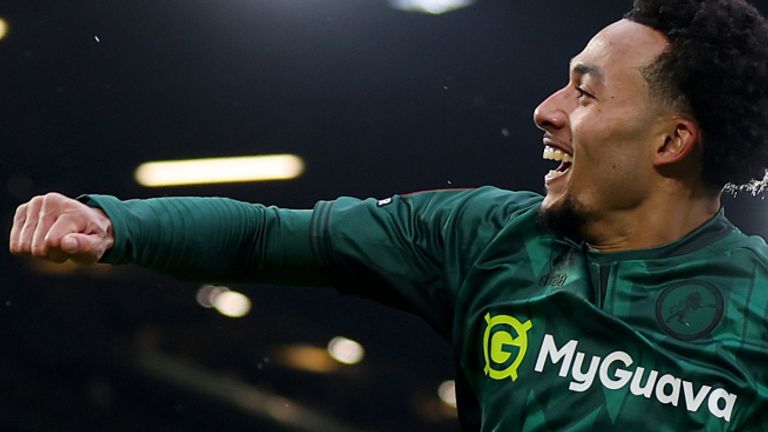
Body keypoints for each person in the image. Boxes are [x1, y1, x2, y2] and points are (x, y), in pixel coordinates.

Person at [9, 0, 768, 429]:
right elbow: (275, 236)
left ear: (672, 141)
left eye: (586, 92)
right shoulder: (482, 238)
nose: (546, 110)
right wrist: (117, 226)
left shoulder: (757, 308)